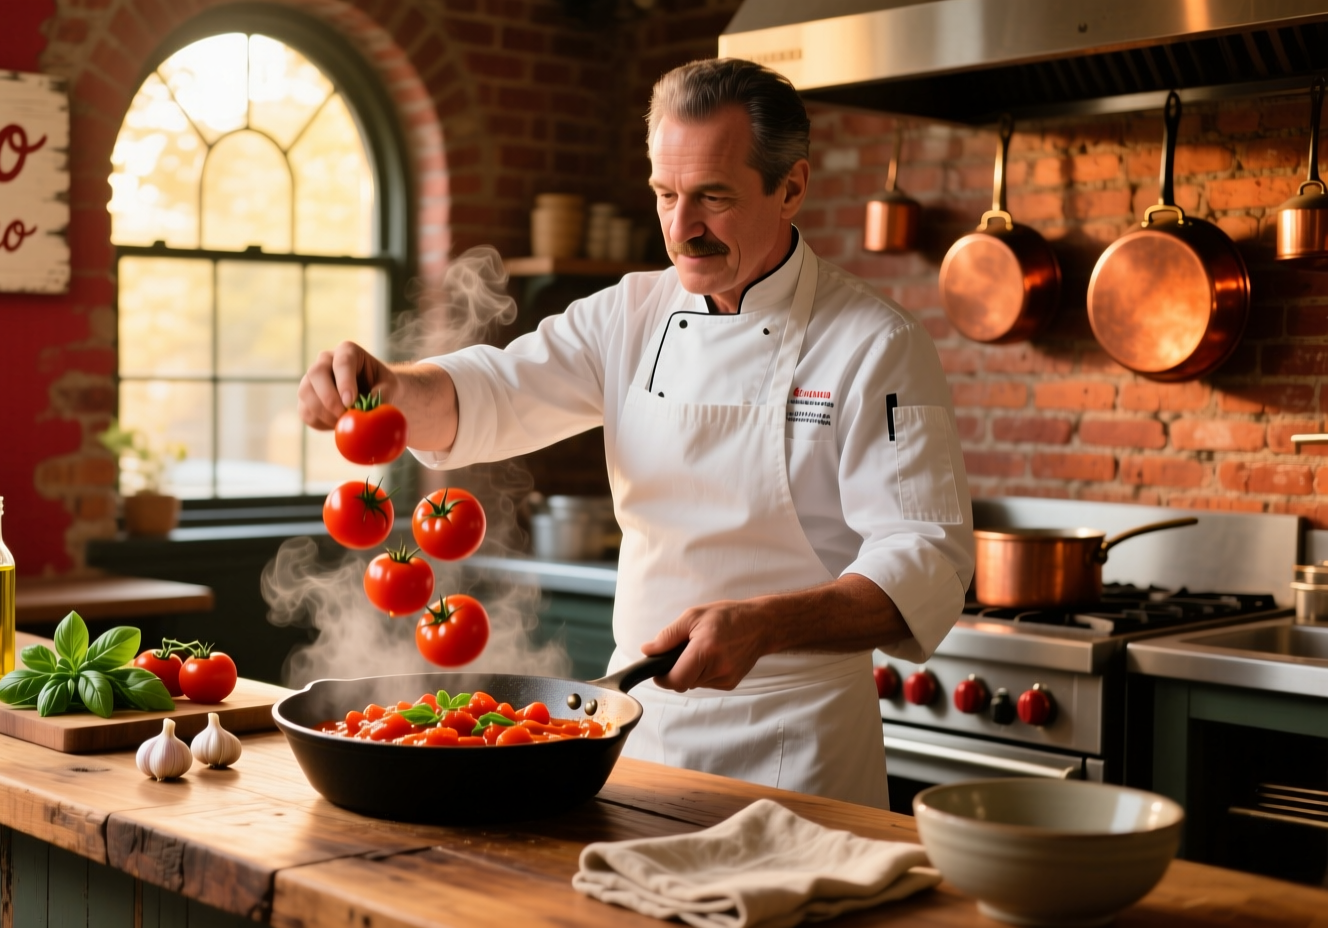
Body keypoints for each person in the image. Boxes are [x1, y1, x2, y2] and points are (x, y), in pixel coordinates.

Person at [297, 58, 973, 808]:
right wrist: (391, 386)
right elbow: (492, 390)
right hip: (639, 734)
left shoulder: (876, 343)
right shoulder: (629, 314)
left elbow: (928, 559)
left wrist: (766, 623)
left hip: (796, 750)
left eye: (713, 197)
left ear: (792, 187)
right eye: (664, 194)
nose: (682, 229)